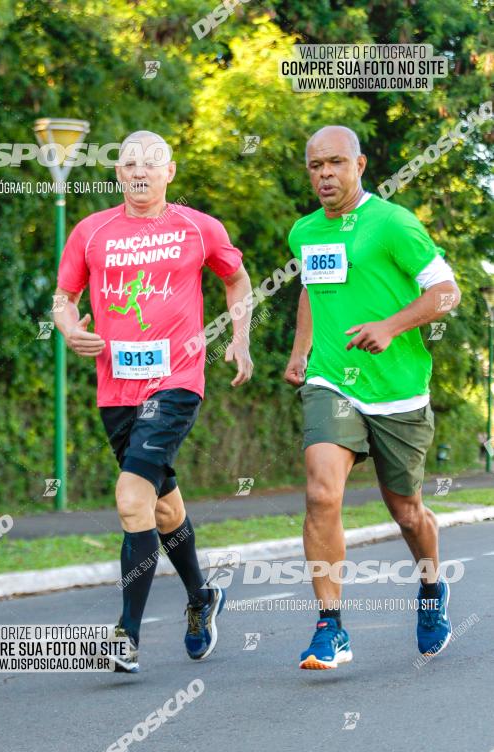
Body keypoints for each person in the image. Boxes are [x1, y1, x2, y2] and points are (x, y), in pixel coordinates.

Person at [53, 130, 253, 672]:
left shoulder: (198, 227)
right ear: (118, 173)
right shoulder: (92, 233)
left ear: (170, 172)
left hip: (177, 380)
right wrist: (70, 330)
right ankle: (201, 597)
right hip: (114, 388)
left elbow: (237, 281)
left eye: (152, 162)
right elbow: (63, 298)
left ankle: (127, 635)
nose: (140, 170)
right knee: (161, 505)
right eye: (129, 163)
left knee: (129, 498)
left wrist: (239, 337)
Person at [284, 125, 461, 670]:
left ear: (360, 166)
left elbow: (447, 291)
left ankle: (431, 589)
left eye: (336, 163)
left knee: (406, 511)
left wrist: (391, 325)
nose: (325, 175)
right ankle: (329, 627)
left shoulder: (393, 224)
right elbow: (315, 291)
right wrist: (301, 353)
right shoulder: (305, 232)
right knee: (320, 492)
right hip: (333, 380)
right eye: (316, 166)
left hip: (398, 389)